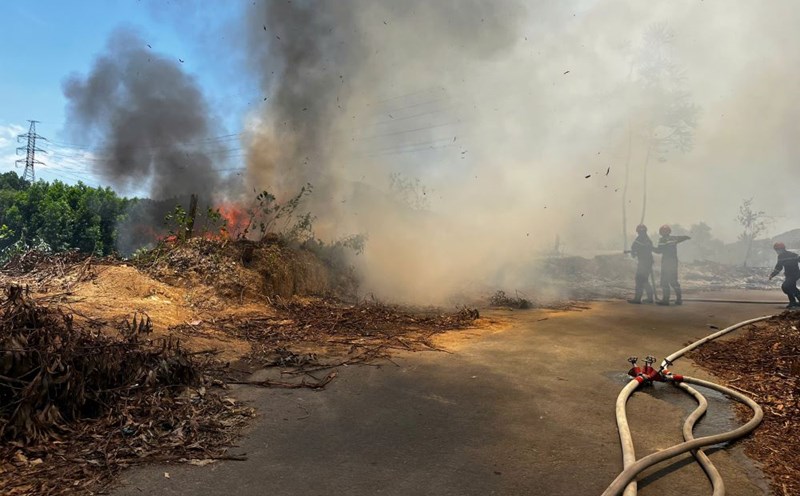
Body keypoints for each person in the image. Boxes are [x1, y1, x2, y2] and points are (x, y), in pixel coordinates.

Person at [653, 225, 690, 306]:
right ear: (669, 231)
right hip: (674, 262)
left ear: (661, 232)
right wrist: (687, 237)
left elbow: (659, 251)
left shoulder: (662, 240)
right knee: (673, 281)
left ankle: (665, 300)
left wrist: (651, 248)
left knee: (664, 281)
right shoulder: (673, 238)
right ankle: (679, 299)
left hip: (666, 262)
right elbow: (681, 238)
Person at [627, 224, 655, 304]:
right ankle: (650, 298)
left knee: (639, 279)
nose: (639, 232)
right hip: (647, 262)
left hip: (644, 262)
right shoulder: (646, 239)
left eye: (639, 231)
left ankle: (637, 299)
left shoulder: (641, 239)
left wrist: (633, 252)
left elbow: (634, 247)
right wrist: (635, 252)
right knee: (644, 280)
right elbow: (638, 248)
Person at [769, 242, 800, 308]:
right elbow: (778, 267)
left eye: (777, 250)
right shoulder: (780, 257)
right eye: (776, 250)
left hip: (795, 274)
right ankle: (793, 302)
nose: (777, 251)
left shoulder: (792, 254)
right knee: (791, 287)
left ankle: (793, 301)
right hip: (788, 275)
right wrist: (772, 275)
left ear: (782, 249)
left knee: (785, 286)